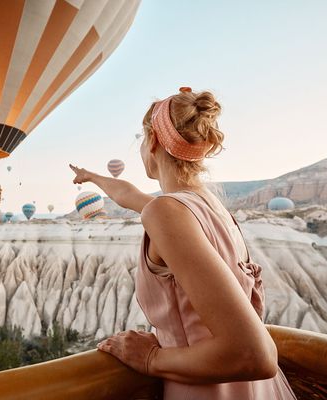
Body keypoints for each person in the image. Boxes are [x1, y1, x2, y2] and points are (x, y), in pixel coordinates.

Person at [69, 87, 296, 399]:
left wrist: (151, 358)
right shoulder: (209, 207)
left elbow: (254, 355)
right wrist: (92, 177)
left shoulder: (166, 213)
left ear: (152, 141)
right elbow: (129, 195)